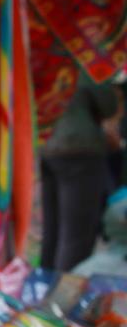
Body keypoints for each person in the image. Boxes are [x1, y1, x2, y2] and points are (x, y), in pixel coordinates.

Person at [40, 73, 123, 271]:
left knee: (53, 232)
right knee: (76, 236)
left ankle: (45, 285)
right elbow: (108, 104)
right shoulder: (86, 60)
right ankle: (66, 289)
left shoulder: (48, 56)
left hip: (47, 143)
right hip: (79, 148)